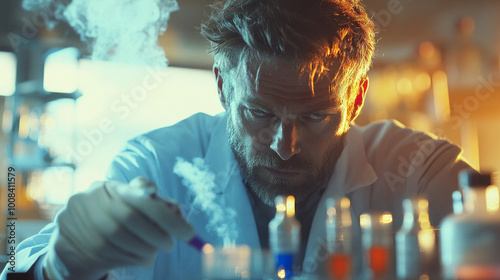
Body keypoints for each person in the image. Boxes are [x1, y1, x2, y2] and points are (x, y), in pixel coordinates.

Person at [1, 0, 473, 279]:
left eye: (315, 117)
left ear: (355, 100)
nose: (283, 144)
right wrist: (60, 265)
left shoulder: (416, 170)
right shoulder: (158, 166)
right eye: (259, 113)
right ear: (223, 87)